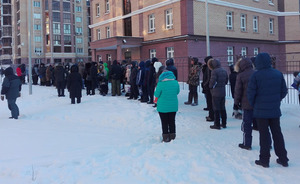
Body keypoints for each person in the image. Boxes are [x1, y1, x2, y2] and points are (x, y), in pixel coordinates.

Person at [247, 53, 289, 168]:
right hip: (274, 110)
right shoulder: (278, 74)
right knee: (277, 134)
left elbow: (250, 94)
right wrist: (275, 101)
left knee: (264, 136)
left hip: (261, 112)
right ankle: (283, 159)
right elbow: (284, 91)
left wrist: (255, 104)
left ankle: (264, 160)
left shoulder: (256, 76)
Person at [234, 58, 255, 150]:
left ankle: (247, 143)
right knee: (263, 125)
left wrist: (236, 103)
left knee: (247, 124)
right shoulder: (257, 73)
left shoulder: (241, 76)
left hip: (246, 103)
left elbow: (238, 91)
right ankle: (267, 143)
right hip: (258, 104)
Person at [154, 71, 180, 142]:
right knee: (172, 121)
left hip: (162, 106)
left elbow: (156, 94)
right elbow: (177, 92)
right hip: (173, 106)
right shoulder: (175, 82)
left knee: (164, 121)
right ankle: (172, 136)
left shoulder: (160, 84)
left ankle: (165, 137)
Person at [208, 59, 228, 130]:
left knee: (216, 108)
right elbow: (226, 81)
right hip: (223, 92)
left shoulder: (214, 71)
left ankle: (217, 124)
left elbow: (212, 81)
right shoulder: (224, 70)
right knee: (223, 108)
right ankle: (224, 123)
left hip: (216, 92)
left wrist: (210, 86)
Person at [202, 56, 214, 122]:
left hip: (209, 87)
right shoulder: (207, 68)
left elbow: (208, 78)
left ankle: (211, 116)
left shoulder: (210, 68)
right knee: (211, 102)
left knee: (210, 102)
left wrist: (205, 84)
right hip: (209, 87)